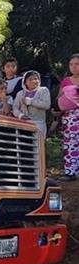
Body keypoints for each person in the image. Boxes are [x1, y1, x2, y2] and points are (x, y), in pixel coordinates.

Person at [58, 53, 79, 181]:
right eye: (71, 64)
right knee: (71, 143)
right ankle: (70, 172)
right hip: (70, 117)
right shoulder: (66, 81)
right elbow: (59, 98)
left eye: (77, 64)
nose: (74, 67)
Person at [14, 70, 51, 136]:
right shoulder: (20, 93)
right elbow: (15, 108)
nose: (33, 81)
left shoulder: (43, 90)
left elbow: (46, 105)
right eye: (30, 79)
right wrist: (20, 115)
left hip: (39, 123)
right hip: (23, 123)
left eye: (36, 79)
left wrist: (31, 101)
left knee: (38, 144)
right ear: (25, 82)